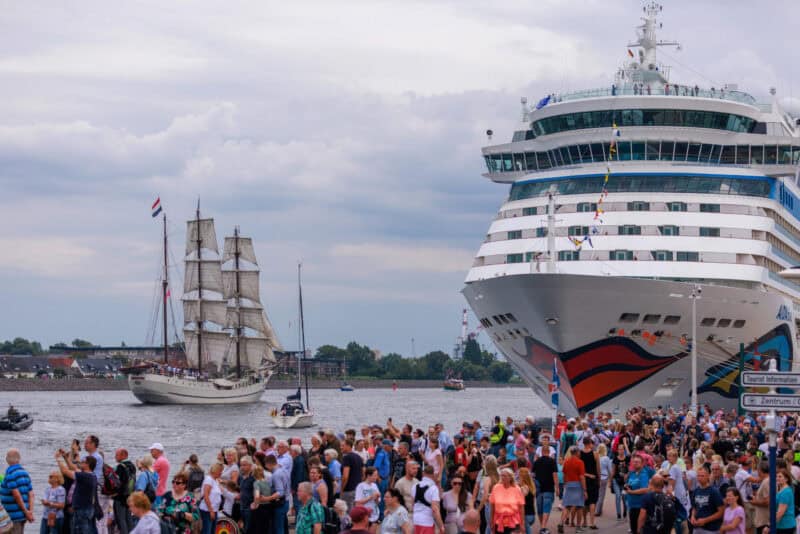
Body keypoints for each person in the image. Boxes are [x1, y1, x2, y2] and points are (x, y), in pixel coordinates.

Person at [55, 451, 97, 534]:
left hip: (82, 510)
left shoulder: (84, 476)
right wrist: (65, 457)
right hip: (86, 509)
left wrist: (58, 458)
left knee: (80, 531)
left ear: (87, 465)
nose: (80, 463)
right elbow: (72, 467)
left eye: (83, 462)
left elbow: (65, 471)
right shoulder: (91, 475)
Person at [0, 449, 34, 534]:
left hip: (13, 516)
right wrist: (30, 512)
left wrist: (26, 512)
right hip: (23, 515)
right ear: (19, 459)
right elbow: (31, 494)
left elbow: (16, 495)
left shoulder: (10, 474)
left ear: (7, 459)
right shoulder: (24, 473)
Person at [532, 438, 557, 534]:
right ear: (549, 452)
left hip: (538, 487)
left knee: (539, 507)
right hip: (549, 487)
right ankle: (543, 526)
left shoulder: (536, 462)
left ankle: (542, 526)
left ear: (541, 452)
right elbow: (554, 475)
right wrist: (557, 487)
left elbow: (533, 475)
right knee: (546, 507)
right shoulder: (552, 461)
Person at [690, 466, 724, 534]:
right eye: (698, 476)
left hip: (711, 529)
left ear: (708, 476)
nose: (700, 478)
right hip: (697, 528)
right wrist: (692, 517)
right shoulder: (696, 491)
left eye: (702, 476)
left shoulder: (714, 491)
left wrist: (705, 520)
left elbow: (721, 512)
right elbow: (694, 507)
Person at [559, 447, 585, 534]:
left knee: (567, 506)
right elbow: (582, 477)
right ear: (577, 453)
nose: (580, 453)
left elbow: (564, 474)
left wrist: (565, 484)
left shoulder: (566, 461)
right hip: (578, 485)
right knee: (579, 506)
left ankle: (561, 523)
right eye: (579, 452)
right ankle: (578, 527)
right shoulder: (580, 462)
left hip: (569, 484)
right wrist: (585, 489)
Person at [489, 468, 524, 534]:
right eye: (501, 475)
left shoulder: (516, 489)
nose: (502, 477)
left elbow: (521, 507)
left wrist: (522, 523)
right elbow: (492, 506)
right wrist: (491, 520)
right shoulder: (496, 487)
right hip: (498, 522)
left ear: (510, 477)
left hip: (514, 522)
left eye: (505, 476)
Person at [624, 454, 652, 534]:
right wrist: (627, 486)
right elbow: (630, 483)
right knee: (633, 529)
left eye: (637, 462)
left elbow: (645, 489)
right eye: (634, 462)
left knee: (639, 530)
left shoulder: (643, 474)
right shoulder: (632, 473)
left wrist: (631, 492)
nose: (635, 463)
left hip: (640, 506)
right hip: (632, 505)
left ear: (642, 463)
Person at [412, 465, 443, 534]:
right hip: (427, 522)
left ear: (423, 473)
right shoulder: (433, 488)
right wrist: (441, 526)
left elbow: (413, 504)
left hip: (415, 520)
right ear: (433, 474)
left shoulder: (415, 486)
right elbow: (435, 509)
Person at [264, 454, 291, 534]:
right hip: (286, 501)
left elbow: (280, 492)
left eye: (265, 465)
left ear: (268, 464)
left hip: (280, 504)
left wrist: (266, 498)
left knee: (278, 528)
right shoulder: (284, 470)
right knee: (283, 526)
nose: (266, 467)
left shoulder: (276, 474)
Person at [113, 448, 137, 534]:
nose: (115, 457)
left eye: (117, 455)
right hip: (130, 496)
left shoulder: (120, 467)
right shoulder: (132, 466)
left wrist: (114, 493)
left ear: (124, 455)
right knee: (128, 518)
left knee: (121, 519)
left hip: (120, 497)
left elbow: (117, 483)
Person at [577, 437, 599, 530]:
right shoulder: (595, 454)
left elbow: (578, 468)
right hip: (593, 479)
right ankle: (592, 522)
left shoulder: (579, 454)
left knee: (584, 502)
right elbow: (598, 468)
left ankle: (584, 521)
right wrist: (599, 478)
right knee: (592, 501)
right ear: (590, 443)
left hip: (583, 479)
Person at [198, 463, 223, 534]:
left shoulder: (215, 480)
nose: (221, 473)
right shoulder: (209, 480)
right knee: (207, 531)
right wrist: (211, 510)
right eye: (220, 471)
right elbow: (206, 495)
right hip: (207, 510)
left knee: (212, 531)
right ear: (216, 470)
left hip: (214, 509)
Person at [354, 467, 380, 532]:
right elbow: (357, 503)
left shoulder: (375, 485)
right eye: (374, 475)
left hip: (374, 515)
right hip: (364, 516)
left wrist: (377, 498)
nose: (376, 477)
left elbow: (377, 503)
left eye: (376, 475)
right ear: (368, 475)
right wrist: (370, 497)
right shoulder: (360, 486)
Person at [341, 439, 364, 511]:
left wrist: (342, 489)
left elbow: (345, 476)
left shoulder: (347, 458)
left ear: (348, 446)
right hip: (357, 488)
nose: (341, 447)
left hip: (348, 489)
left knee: (347, 511)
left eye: (342, 446)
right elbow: (363, 473)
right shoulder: (358, 457)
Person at [238, 456, 255, 533]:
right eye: (241, 465)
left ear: (250, 465)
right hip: (242, 506)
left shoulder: (253, 478)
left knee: (249, 529)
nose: (242, 467)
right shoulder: (241, 476)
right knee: (244, 529)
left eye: (244, 465)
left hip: (250, 508)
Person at [517, 469, 535, 534]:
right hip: (531, 514)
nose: (517, 478)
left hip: (526, 515)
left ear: (522, 478)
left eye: (519, 477)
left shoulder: (524, 487)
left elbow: (521, 500)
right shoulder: (531, 486)